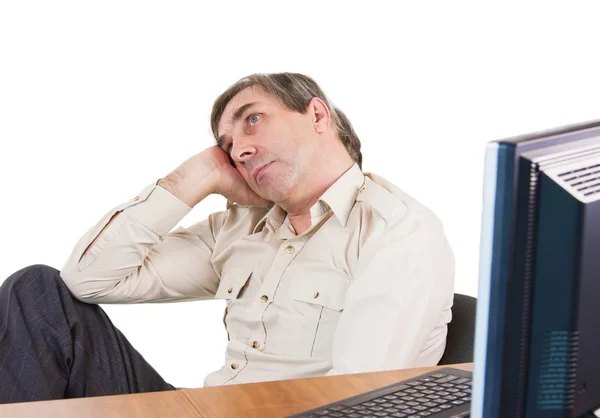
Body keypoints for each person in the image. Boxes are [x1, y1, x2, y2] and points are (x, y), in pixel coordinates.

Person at [0, 72, 455, 404]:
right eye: (227, 145)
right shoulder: (241, 228)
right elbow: (87, 280)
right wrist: (196, 176)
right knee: (36, 291)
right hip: (201, 409)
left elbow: (357, 402)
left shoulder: (397, 231)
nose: (239, 149)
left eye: (252, 120)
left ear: (317, 114)